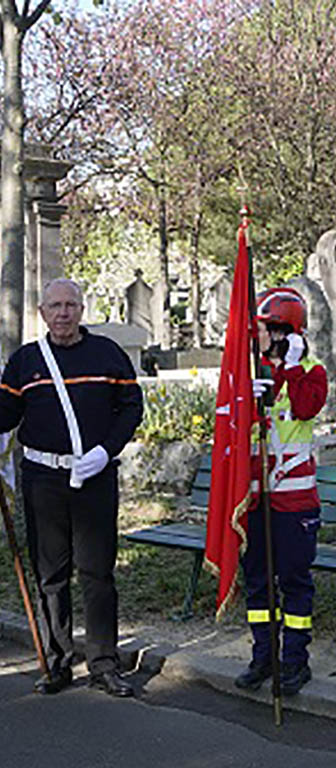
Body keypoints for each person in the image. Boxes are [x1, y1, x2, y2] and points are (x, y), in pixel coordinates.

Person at [0, 278, 143, 697]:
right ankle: (57, 662)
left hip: (95, 477)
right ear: (42, 313)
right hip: (43, 480)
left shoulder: (108, 355)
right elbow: (5, 415)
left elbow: (131, 408)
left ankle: (103, 664)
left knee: (98, 574)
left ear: (82, 310)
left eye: (70, 305)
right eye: (55, 306)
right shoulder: (25, 362)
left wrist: (106, 450)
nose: (63, 313)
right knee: (51, 576)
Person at [234, 287, 328, 697]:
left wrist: (288, 369)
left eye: (267, 329)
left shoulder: (311, 371)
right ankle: (263, 657)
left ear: (287, 333)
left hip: (294, 502)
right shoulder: (248, 371)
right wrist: (244, 400)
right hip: (256, 499)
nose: (258, 336)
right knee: (258, 582)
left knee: (294, 581)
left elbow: (306, 408)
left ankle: (294, 661)